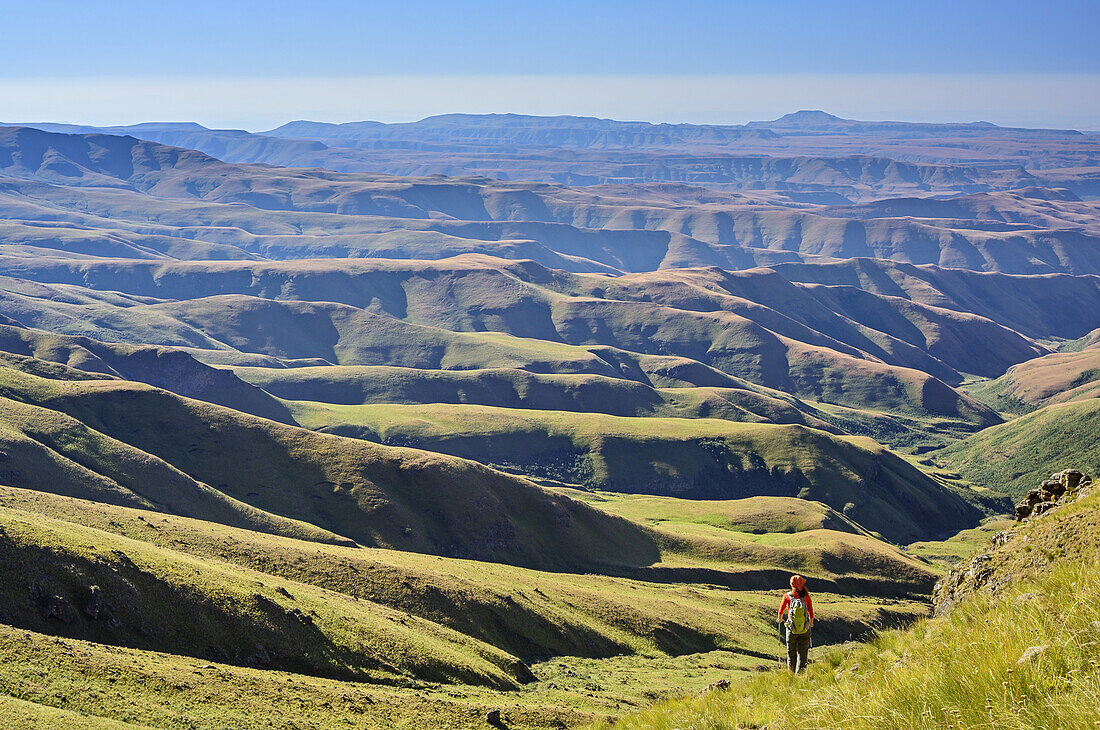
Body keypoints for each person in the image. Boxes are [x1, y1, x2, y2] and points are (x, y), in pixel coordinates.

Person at [777, 574, 813, 673]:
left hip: (791, 628)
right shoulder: (806, 597)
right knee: (803, 653)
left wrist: (779, 619)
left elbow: (781, 610)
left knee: (791, 653)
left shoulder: (787, 596)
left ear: (792, 584)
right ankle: (800, 675)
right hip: (804, 629)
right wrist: (811, 623)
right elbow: (811, 612)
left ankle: (791, 674)